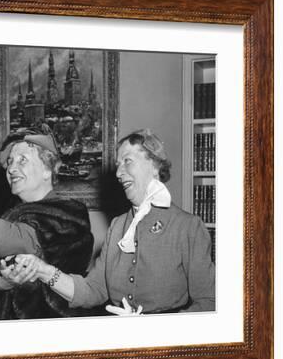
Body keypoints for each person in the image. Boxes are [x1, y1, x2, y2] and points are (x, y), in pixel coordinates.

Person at [13, 128, 216, 315]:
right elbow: (93, 290)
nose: (118, 173)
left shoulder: (187, 227)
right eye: (118, 165)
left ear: (154, 166)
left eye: (127, 161)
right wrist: (43, 270)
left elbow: (208, 302)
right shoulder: (118, 226)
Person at [0, 127, 95, 320]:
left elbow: (13, 242)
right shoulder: (12, 214)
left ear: (47, 169)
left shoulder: (68, 216)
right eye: (10, 162)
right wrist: (4, 282)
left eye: (22, 160)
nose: (11, 168)